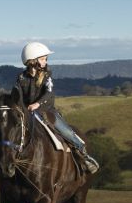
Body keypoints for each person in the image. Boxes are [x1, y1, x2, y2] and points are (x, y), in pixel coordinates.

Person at [14, 42, 99, 174]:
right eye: (42, 59)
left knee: (67, 133)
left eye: (46, 59)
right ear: (32, 61)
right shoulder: (21, 78)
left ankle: (83, 155)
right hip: (27, 113)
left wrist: (38, 104)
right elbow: (17, 96)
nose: (45, 61)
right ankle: (1, 155)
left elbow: (49, 93)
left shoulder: (47, 74)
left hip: (47, 112)